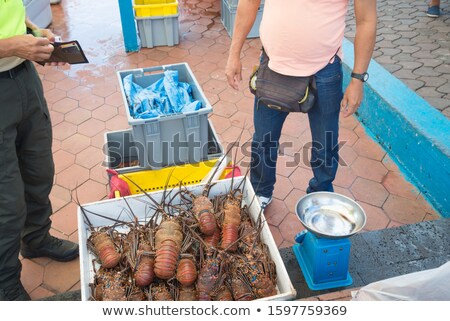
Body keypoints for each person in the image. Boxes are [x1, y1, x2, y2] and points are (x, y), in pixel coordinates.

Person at [225, 0, 377, 208]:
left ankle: (320, 194)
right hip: (273, 66)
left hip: (325, 70)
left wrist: (358, 79)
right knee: (263, 140)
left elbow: (366, 20)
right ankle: (261, 191)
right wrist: (234, 54)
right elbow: (249, 4)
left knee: (325, 143)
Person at [0, 0, 79, 301]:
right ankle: (5, 286)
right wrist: (10, 46)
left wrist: (34, 34)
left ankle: (35, 238)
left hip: (23, 77)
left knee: (38, 170)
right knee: (6, 202)